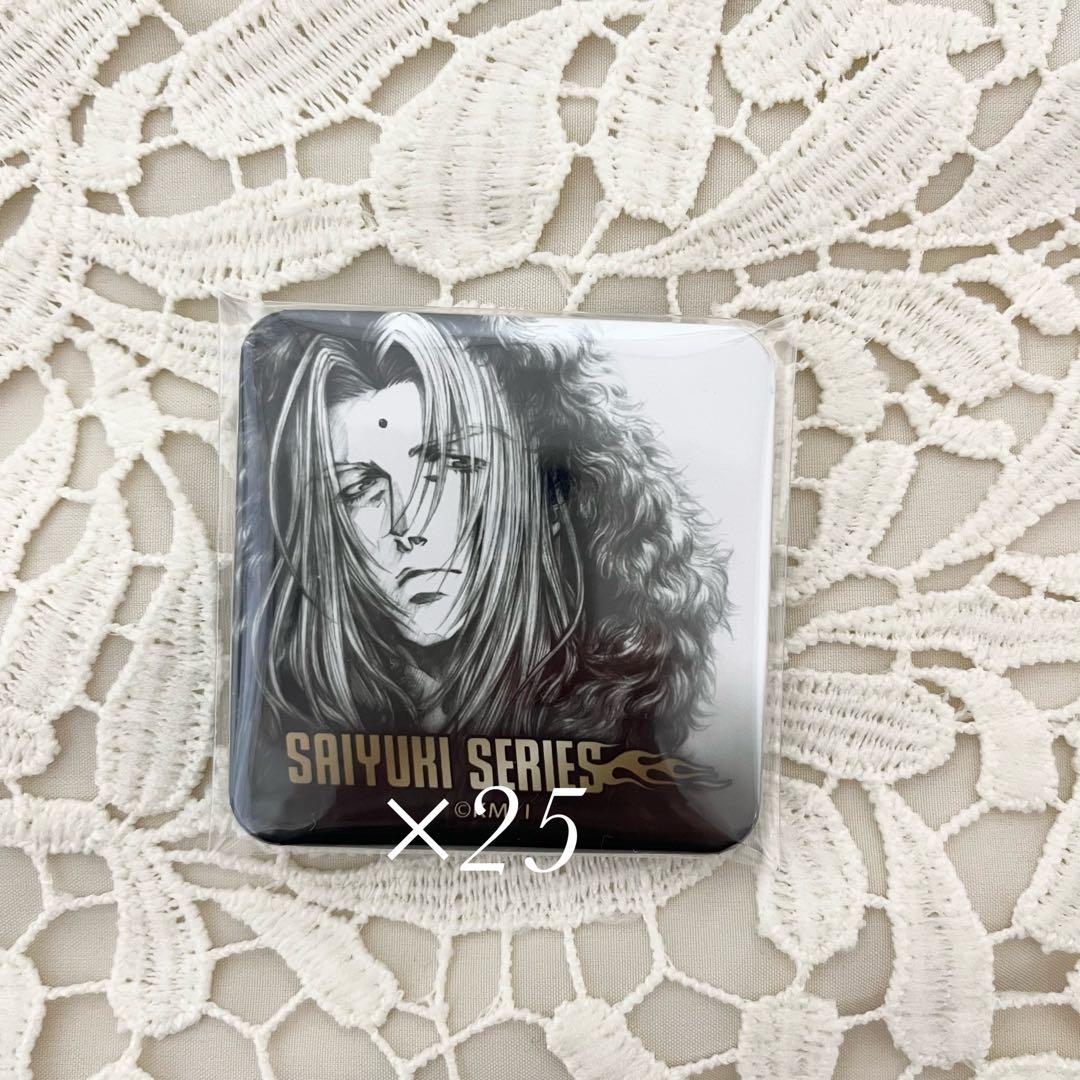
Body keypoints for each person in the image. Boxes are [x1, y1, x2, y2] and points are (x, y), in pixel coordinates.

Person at [237, 310, 729, 752]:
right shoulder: (308, 729)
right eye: (360, 488)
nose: (407, 526)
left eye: (452, 466)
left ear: (552, 492)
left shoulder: (627, 742)